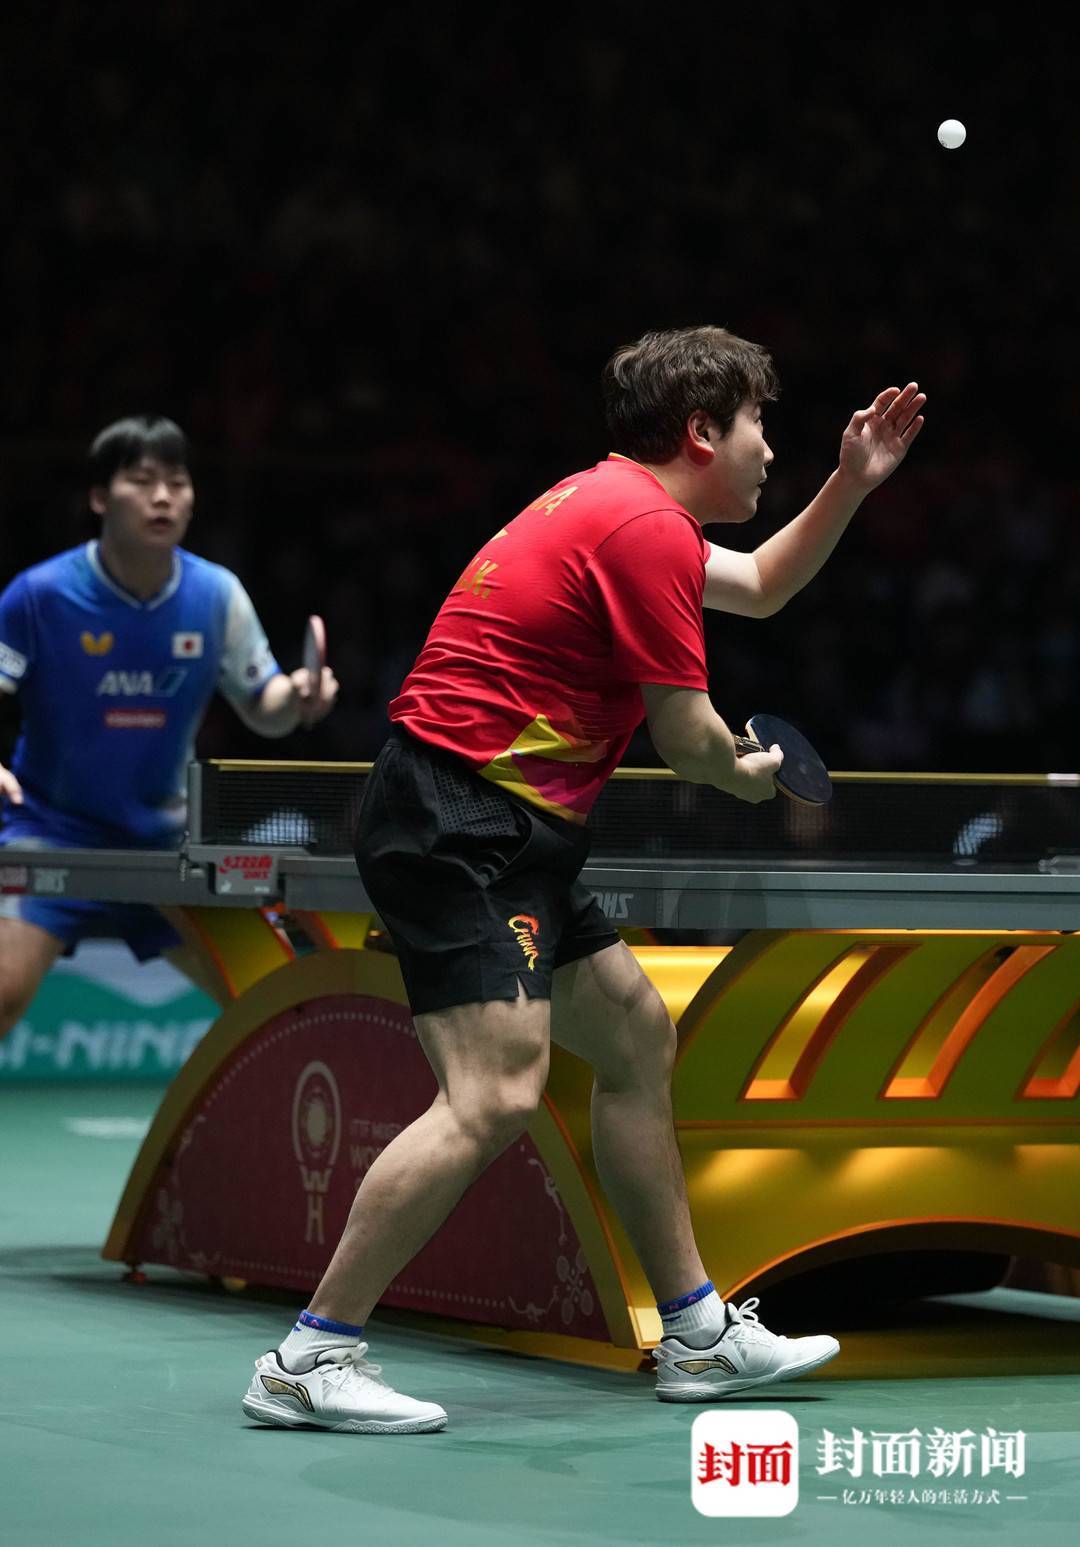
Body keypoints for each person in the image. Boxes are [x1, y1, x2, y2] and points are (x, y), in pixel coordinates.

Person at [241, 325, 925, 1434]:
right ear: (701, 431)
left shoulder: (614, 506)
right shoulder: (643, 527)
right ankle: (309, 1356)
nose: (768, 450)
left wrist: (852, 482)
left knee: (635, 1037)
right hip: (460, 814)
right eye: (759, 426)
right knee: (494, 1091)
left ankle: (696, 1334)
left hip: (507, 822)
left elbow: (757, 585)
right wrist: (746, 776)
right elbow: (690, 741)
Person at [0, 414, 338, 1028]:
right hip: (50, 831)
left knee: (282, 1002)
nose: (163, 497)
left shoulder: (216, 595)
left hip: (168, 845)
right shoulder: (39, 596)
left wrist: (296, 697)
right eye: (142, 480)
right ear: (100, 497)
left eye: (178, 483)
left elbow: (263, 709)